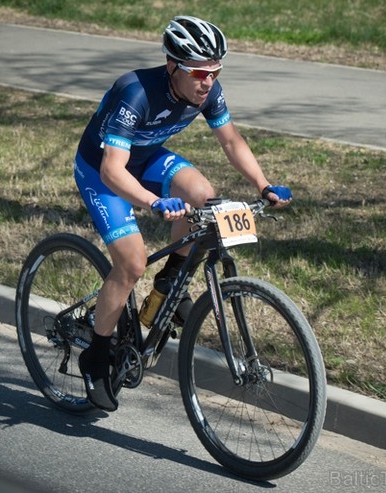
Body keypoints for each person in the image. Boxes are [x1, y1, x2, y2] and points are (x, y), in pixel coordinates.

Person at [74, 15, 293, 411]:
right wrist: (154, 202)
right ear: (173, 66)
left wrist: (263, 185)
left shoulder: (207, 91)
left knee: (203, 196)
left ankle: (170, 284)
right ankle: (95, 355)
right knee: (132, 263)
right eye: (198, 72)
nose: (207, 82)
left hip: (145, 158)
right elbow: (111, 170)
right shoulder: (135, 92)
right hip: (102, 170)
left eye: (214, 72)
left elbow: (230, 140)